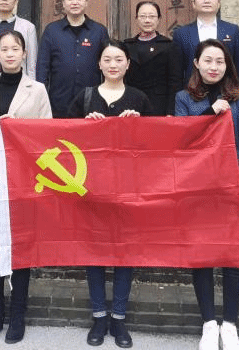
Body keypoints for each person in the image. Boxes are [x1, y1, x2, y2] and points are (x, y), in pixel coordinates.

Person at [174, 39, 239, 350]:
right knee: (203, 256)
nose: (214, 67)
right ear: (196, 63)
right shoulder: (184, 99)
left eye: (220, 62)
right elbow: (182, 139)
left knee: (232, 255)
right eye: (208, 61)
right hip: (198, 187)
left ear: (227, 66)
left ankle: (230, 324)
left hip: (232, 185)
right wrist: (210, 113)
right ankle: (209, 323)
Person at [68, 39, 151, 349]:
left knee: (123, 253)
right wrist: (84, 125)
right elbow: (64, 140)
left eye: (119, 59)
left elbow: (156, 146)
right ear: (99, 64)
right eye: (107, 59)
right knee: (94, 252)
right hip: (91, 189)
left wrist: (139, 125)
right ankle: (99, 316)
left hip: (128, 188)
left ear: (127, 64)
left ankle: (119, 317)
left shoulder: (139, 98)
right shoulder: (85, 96)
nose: (113, 64)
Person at [0, 30, 52, 344]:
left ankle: (18, 314)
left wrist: (21, 129)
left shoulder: (38, 90)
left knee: (21, 249)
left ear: (24, 53)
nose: (9, 54)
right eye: (4, 49)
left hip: (24, 181)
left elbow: (47, 135)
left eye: (15, 48)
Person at [36, 0, 109, 118]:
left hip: (92, 102)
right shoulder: (52, 30)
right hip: (58, 101)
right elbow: (42, 67)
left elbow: (107, 65)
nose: (75, 2)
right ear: (63, 4)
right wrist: (41, 98)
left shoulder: (99, 31)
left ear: (86, 2)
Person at [171, 0, 239, 95]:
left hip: (226, 93)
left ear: (219, 2)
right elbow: (176, 73)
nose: (207, 0)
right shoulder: (181, 33)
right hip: (193, 94)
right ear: (193, 3)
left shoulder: (232, 30)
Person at [123, 0, 181, 116]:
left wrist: (170, 111)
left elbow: (175, 82)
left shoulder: (169, 46)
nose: (147, 20)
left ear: (159, 19)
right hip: (131, 104)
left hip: (159, 105)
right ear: (136, 19)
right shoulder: (127, 45)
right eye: (143, 16)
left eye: (152, 16)